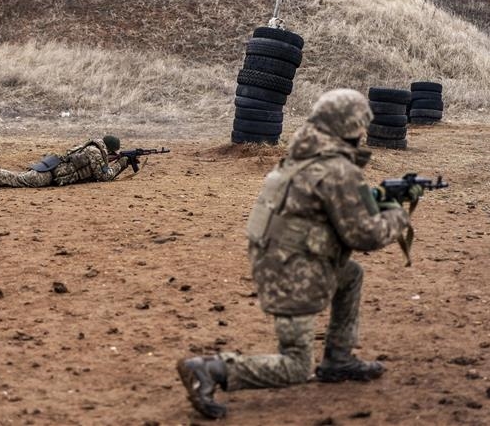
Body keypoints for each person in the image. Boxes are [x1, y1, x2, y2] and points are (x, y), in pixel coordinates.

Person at [176, 89, 420, 419]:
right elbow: (366, 236)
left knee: (351, 275)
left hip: (277, 260)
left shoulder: (301, 157)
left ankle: (338, 359)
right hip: (294, 272)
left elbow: (324, 211)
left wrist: (373, 201)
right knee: (296, 365)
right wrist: (398, 215)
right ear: (349, 126)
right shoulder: (337, 169)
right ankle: (211, 370)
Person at [0, 135, 132, 191]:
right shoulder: (95, 153)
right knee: (17, 179)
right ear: (109, 149)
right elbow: (104, 176)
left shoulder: (92, 148)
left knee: (17, 179)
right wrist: (123, 163)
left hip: (52, 168)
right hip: (50, 173)